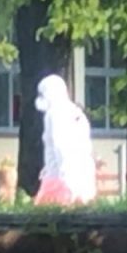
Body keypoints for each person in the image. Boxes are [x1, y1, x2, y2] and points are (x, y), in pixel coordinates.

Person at [34, 74, 96, 205]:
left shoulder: (54, 113)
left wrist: (66, 182)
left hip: (59, 181)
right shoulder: (77, 112)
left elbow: (60, 148)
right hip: (84, 179)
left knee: (43, 220)